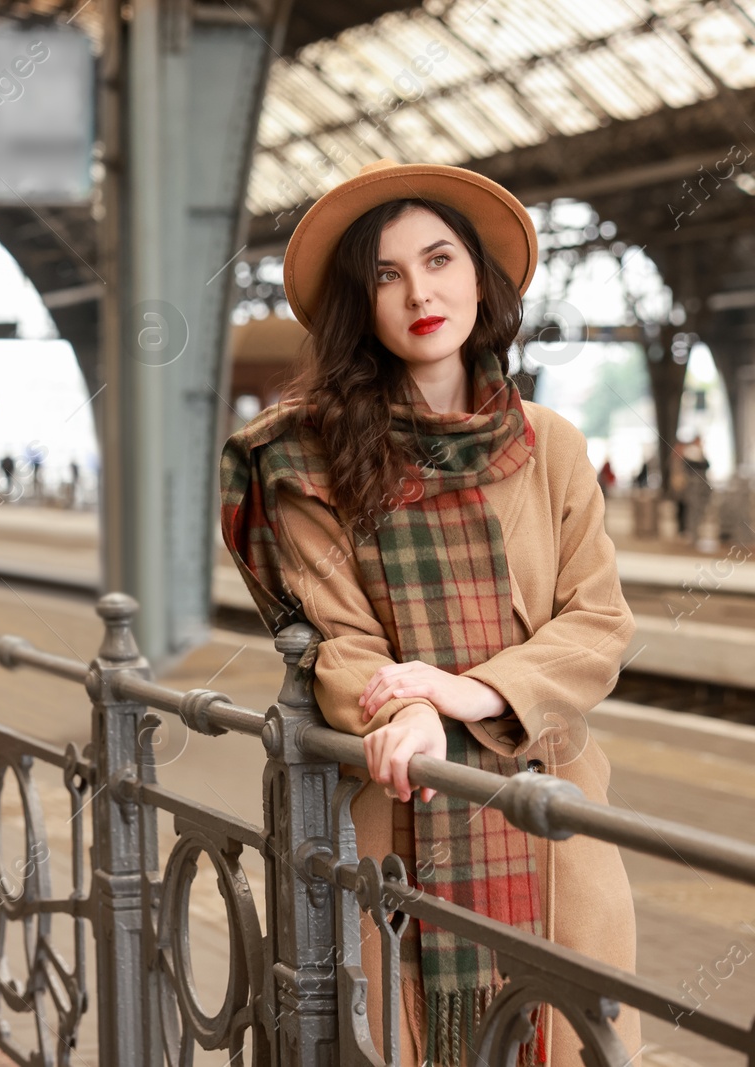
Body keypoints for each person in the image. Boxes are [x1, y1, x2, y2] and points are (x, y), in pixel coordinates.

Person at [218, 158, 638, 1067]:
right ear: (358, 303)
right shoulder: (309, 458)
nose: (420, 293)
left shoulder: (552, 444)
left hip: (551, 818)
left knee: (569, 1042)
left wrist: (464, 692)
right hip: (399, 813)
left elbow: (597, 621)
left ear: (479, 280)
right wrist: (408, 704)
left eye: (440, 260)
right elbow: (339, 641)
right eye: (386, 274)